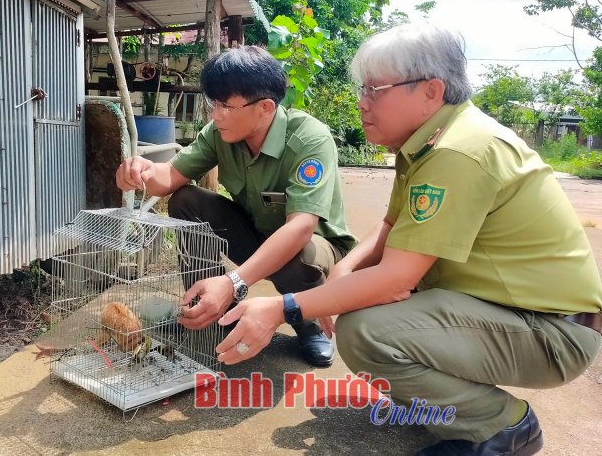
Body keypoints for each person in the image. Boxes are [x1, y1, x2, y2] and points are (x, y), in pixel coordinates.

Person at [214, 23, 602, 455]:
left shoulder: (458, 151)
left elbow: (396, 278)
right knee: (364, 309)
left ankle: (501, 427)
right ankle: (454, 407)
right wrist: (343, 269)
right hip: (513, 313)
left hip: (551, 333)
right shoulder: (430, 142)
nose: (360, 103)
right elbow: (392, 226)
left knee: (366, 330)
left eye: (375, 90)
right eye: (362, 89)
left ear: (431, 92)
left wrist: (281, 307)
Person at [116, 46, 356, 367]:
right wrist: (141, 172)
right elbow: (168, 177)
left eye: (227, 106)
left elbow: (300, 227)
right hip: (256, 233)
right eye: (214, 103)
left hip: (314, 248)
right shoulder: (220, 133)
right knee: (187, 199)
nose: (217, 115)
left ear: (265, 108)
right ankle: (205, 311)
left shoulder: (310, 139)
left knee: (293, 254)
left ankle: (306, 320)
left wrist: (235, 282)